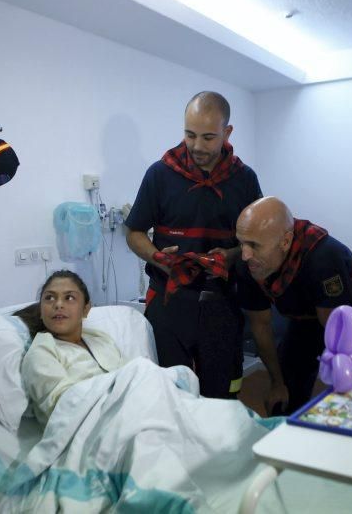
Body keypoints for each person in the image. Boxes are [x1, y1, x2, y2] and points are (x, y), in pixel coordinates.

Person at [125, 91, 262, 399]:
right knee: (169, 394)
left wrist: (232, 255)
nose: (197, 146)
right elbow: (133, 232)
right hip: (168, 301)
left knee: (222, 394)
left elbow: (257, 240)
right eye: (190, 135)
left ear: (227, 133)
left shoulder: (244, 179)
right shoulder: (160, 174)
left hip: (222, 302)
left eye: (209, 137)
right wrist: (157, 256)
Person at [235, 196, 352, 414]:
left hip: (351, 318)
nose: (245, 255)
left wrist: (339, 389)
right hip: (303, 316)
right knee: (284, 397)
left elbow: (337, 337)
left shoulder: (323, 258)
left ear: (285, 242)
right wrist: (277, 383)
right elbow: (260, 326)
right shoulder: (248, 262)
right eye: (241, 242)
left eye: (254, 245)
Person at [21, 270, 127, 424]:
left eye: (69, 298)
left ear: (85, 309)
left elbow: (131, 373)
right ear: (41, 312)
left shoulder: (100, 339)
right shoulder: (42, 352)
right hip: (96, 426)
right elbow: (64, 407)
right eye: (49, 298)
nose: (58, 304)